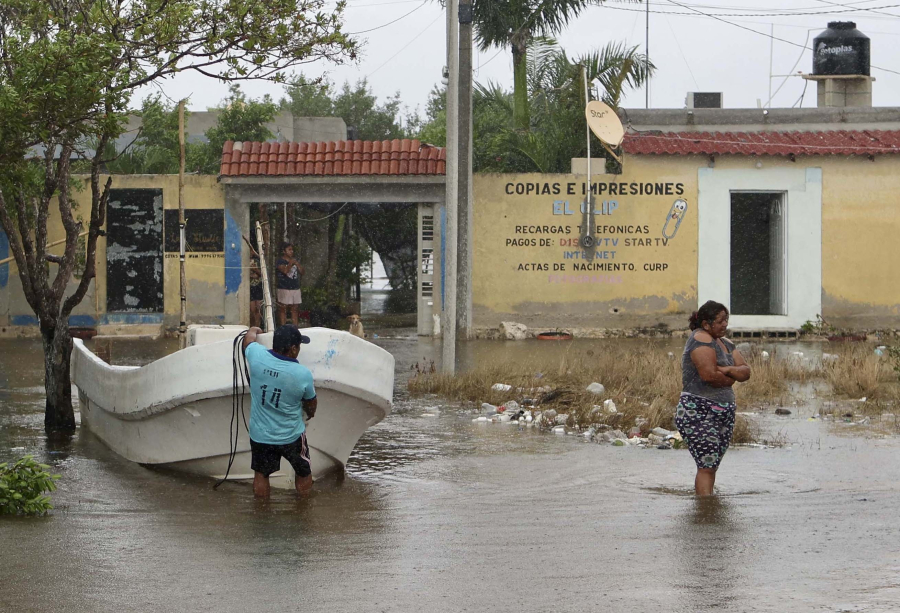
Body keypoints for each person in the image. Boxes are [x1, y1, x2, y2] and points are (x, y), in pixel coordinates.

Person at [675, 300, 751, 496]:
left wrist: (727, 370)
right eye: (720, 321)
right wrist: (731, 377)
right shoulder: (701, 338)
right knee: (707, 464)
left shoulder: (726, 343)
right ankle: (705, 510)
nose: (725, 324)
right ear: (706, 324)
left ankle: (708, 507)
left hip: (723, 411)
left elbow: (746, 373)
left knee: (712, 464)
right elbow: (709, 376)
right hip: (698, 409)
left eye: (726, 320)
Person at [242, 324, 317, 498]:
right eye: (298, 346)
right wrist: (310, 413)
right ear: (292, 349)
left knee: (261, 473)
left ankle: (261, 513)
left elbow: (247, 342)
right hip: (291, 436)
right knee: (303, 471)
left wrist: (254, 329)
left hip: (261, 435)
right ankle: (304, 510)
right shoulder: (302, 374)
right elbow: (311, 404)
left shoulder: (257, 357)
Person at [275, 242, 304, 326]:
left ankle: (295, 327)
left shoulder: (295, 261)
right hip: (284, 287)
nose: (292, 251)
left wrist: (297, 264)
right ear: (284, 251)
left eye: (292, 250)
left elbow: (302, 272)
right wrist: (291, 263)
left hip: (295, 287)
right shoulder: (280, 261)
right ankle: (283, 327)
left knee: (295, 309)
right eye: (289, 250)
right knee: (283, 308)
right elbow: (285, 271)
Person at [249, 255, 263, 329]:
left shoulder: (259, 261)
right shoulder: (243, 260)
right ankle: (251, 327)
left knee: (258, 310)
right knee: (251, 310)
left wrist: (256, 270)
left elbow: (263, 274)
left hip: (258, 287)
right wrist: (251, 275)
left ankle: (257, 327)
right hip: (249, 288)